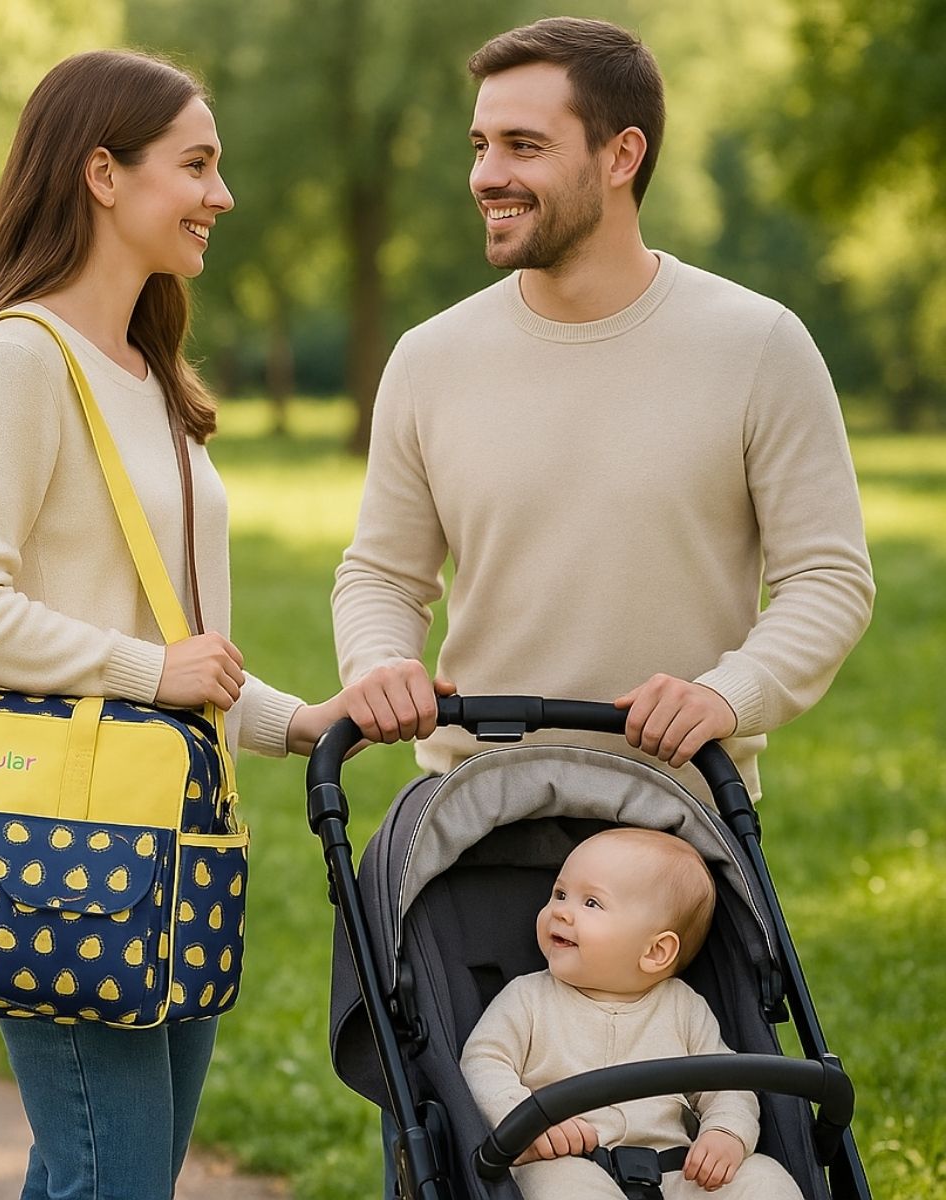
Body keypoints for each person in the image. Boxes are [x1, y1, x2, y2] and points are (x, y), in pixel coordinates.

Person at [0, 50, 352, 1200]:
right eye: (197, 166)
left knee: (110, 1174)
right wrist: (148, 670)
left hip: (175, 835)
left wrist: (300, 723)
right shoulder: (22, 357)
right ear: (101, 174)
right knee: (114, 1181)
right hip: (62, 838)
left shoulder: (153, 377)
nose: (223, 195)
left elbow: (176, 644)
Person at [332, 16, 874, 803]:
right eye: (480, 145)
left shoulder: (758, 346)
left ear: (621, 155)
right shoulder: (429, 358)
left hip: (677, 817)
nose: (487, 174)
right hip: (471, 810)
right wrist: (379, 663)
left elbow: (829, 578)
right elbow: (381, 573)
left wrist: (730, 693)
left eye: (525, 145)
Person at [460, 828, 803, 1198]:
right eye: (560, 894)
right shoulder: (528, 998)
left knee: (764, 1179)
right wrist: (525, 1119)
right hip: (568, 1162)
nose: (561, 911)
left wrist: (725, 1132)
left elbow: (727, 1085)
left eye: (590, 903)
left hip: (677, 1170)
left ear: (655, 952)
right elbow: (483, 1061)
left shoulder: (682, 1007)